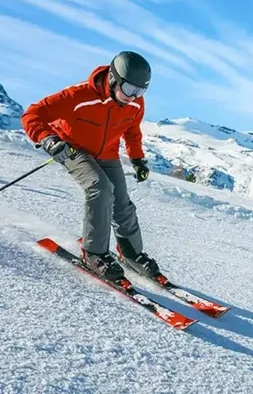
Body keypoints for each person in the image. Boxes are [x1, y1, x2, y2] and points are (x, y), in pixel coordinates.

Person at [21, 50, 160, 282]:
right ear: (114, 78)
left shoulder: (135, 104)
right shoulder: (78, 95)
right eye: (129, 89)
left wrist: (137, 159)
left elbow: (132, 132)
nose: (133, 97)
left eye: (140, 91)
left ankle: (132, 253)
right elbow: (32, 114)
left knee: (122, 202)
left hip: (107, 153)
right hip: (74, 150)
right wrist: (47, 138)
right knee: (100, 188)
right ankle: (94, 254)